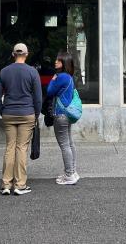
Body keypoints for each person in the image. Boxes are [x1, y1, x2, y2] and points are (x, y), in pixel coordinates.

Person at [0, 43, 42, 196]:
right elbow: (38, 98)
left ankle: (6, 184)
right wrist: (36, 114)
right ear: (26, 54)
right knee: (21, 148)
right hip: (27, 113)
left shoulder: (4, 72)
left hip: (8, 113)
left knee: (10, 147)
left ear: (13, 54)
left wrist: (3, 112)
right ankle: (20, 185)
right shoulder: (32, 72)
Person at [47, 52, 79, 185]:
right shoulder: (69, 77)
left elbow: (49, 91)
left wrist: (53, 79)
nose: (55, 62)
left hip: (60, 114)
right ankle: (73, 172)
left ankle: (69, 175)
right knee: (70, 143)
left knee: (65, 145)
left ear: (64, 63)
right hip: (68, 114)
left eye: (58, 60)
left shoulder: (60, 77)